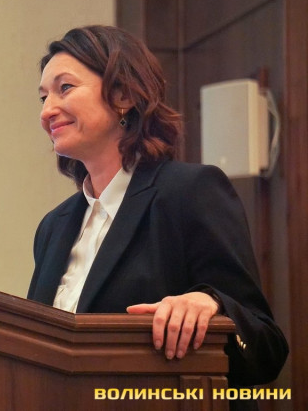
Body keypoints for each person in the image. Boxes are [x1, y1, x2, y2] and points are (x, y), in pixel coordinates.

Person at [27, 25, 288, 398]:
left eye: (64, 88)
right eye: (43, 97)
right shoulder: (54, 226)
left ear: (122, 95)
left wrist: (213, 305)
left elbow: (266, 347)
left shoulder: (190, 193)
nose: (47, 111)